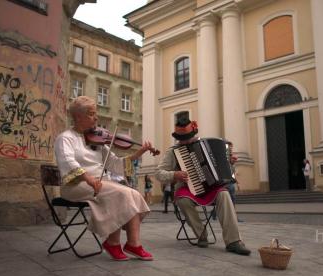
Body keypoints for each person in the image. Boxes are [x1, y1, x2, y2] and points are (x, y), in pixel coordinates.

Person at [54, 96, 154, 261]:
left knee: (133, 193)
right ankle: (113, 243)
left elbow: (115, 164)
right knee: (120, 193)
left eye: (95, 113)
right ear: (79, 117)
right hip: (75, 185)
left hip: (100, 183)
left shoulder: (98, 140)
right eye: (92, 114)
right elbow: (67, 161)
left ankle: (133, 243)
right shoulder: (65, 138)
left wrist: (139, 153)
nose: (96, 118)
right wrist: (88, 178)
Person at [155, 117, 251, 255]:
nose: (184, 141)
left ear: (193, 134)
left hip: (211, 187)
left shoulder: (207, 144)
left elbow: (225, 173)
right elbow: (158, 173)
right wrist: (175, 174)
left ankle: (234, 241)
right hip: (186, 188)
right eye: (181, 138)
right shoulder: (173, 151)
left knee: (224, 194)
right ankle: (201, 234)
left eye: (187, 137)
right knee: (182, 200)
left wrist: (230, 164)